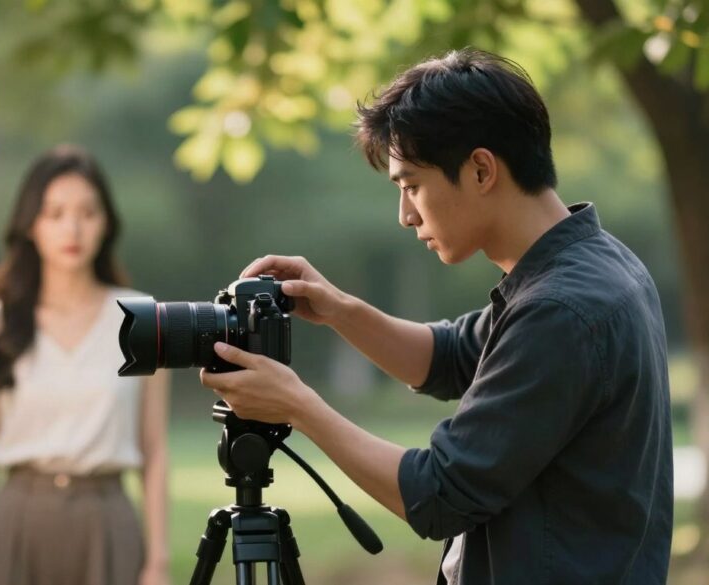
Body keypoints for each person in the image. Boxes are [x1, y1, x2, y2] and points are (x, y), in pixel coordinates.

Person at [199, 49, 673, 584]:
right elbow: (448, 357)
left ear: (480, 169)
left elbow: (440, 494)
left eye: (412, 186)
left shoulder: (561, 309)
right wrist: (339, 309)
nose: (405, 215)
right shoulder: (592, 264)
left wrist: (297, 405)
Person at [0, 145, 171, 585]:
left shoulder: (145, 319)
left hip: (108, 524)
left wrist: (158, 563)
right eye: (54, 213)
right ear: (30, 224)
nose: (72, 228)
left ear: (106, 221)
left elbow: (155, 451)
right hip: (15, 522)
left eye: (87, 212)